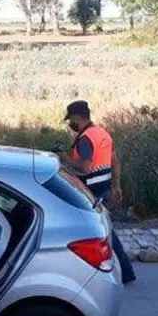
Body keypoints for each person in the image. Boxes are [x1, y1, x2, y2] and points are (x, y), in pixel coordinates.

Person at [57, 100, 137, 284]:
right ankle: (121, 271)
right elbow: (115, 161)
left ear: (77, 117)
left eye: (71, 120)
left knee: (105, 234)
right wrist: (117, 186)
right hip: (106, 189)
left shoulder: (85, 139)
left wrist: (64, 157)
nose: (71, 125)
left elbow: (84, 168)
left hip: (92, 193)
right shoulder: (102, 134)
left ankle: (125, 272)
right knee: (103, 231)